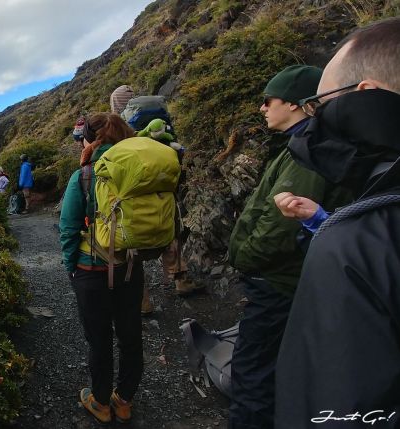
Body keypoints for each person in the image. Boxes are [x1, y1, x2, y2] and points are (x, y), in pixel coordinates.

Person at [275, 17, 400, 427]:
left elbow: (339, 408)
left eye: (322, 103)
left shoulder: (356, 242)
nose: (316, 119)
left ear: (365, 97)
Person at [225, 65, 354, 429]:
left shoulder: (308, 150)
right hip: (293, 280)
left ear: (297, 104)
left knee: (252, 373)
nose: (263, 108)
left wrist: (245, 258)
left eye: (269, 100)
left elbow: (282, 223)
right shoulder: (303, 144)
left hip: (278, 284)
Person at [59, 112, 143, 424]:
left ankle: (101, 402)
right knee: (130, 334)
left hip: (91, 270)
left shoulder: (84, 175)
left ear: (90, 140)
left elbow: (68, 228)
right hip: (130, 267)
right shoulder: (139, 169)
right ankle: (124, 400)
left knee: (99, 339)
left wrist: (71, 267)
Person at [112, 86, 201, 314]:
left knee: (133, 249)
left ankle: (142, 301)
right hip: (166, 195)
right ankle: (181, 280)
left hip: (134, 198)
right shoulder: (160, 127)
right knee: (172, 236)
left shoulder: (119, 132)